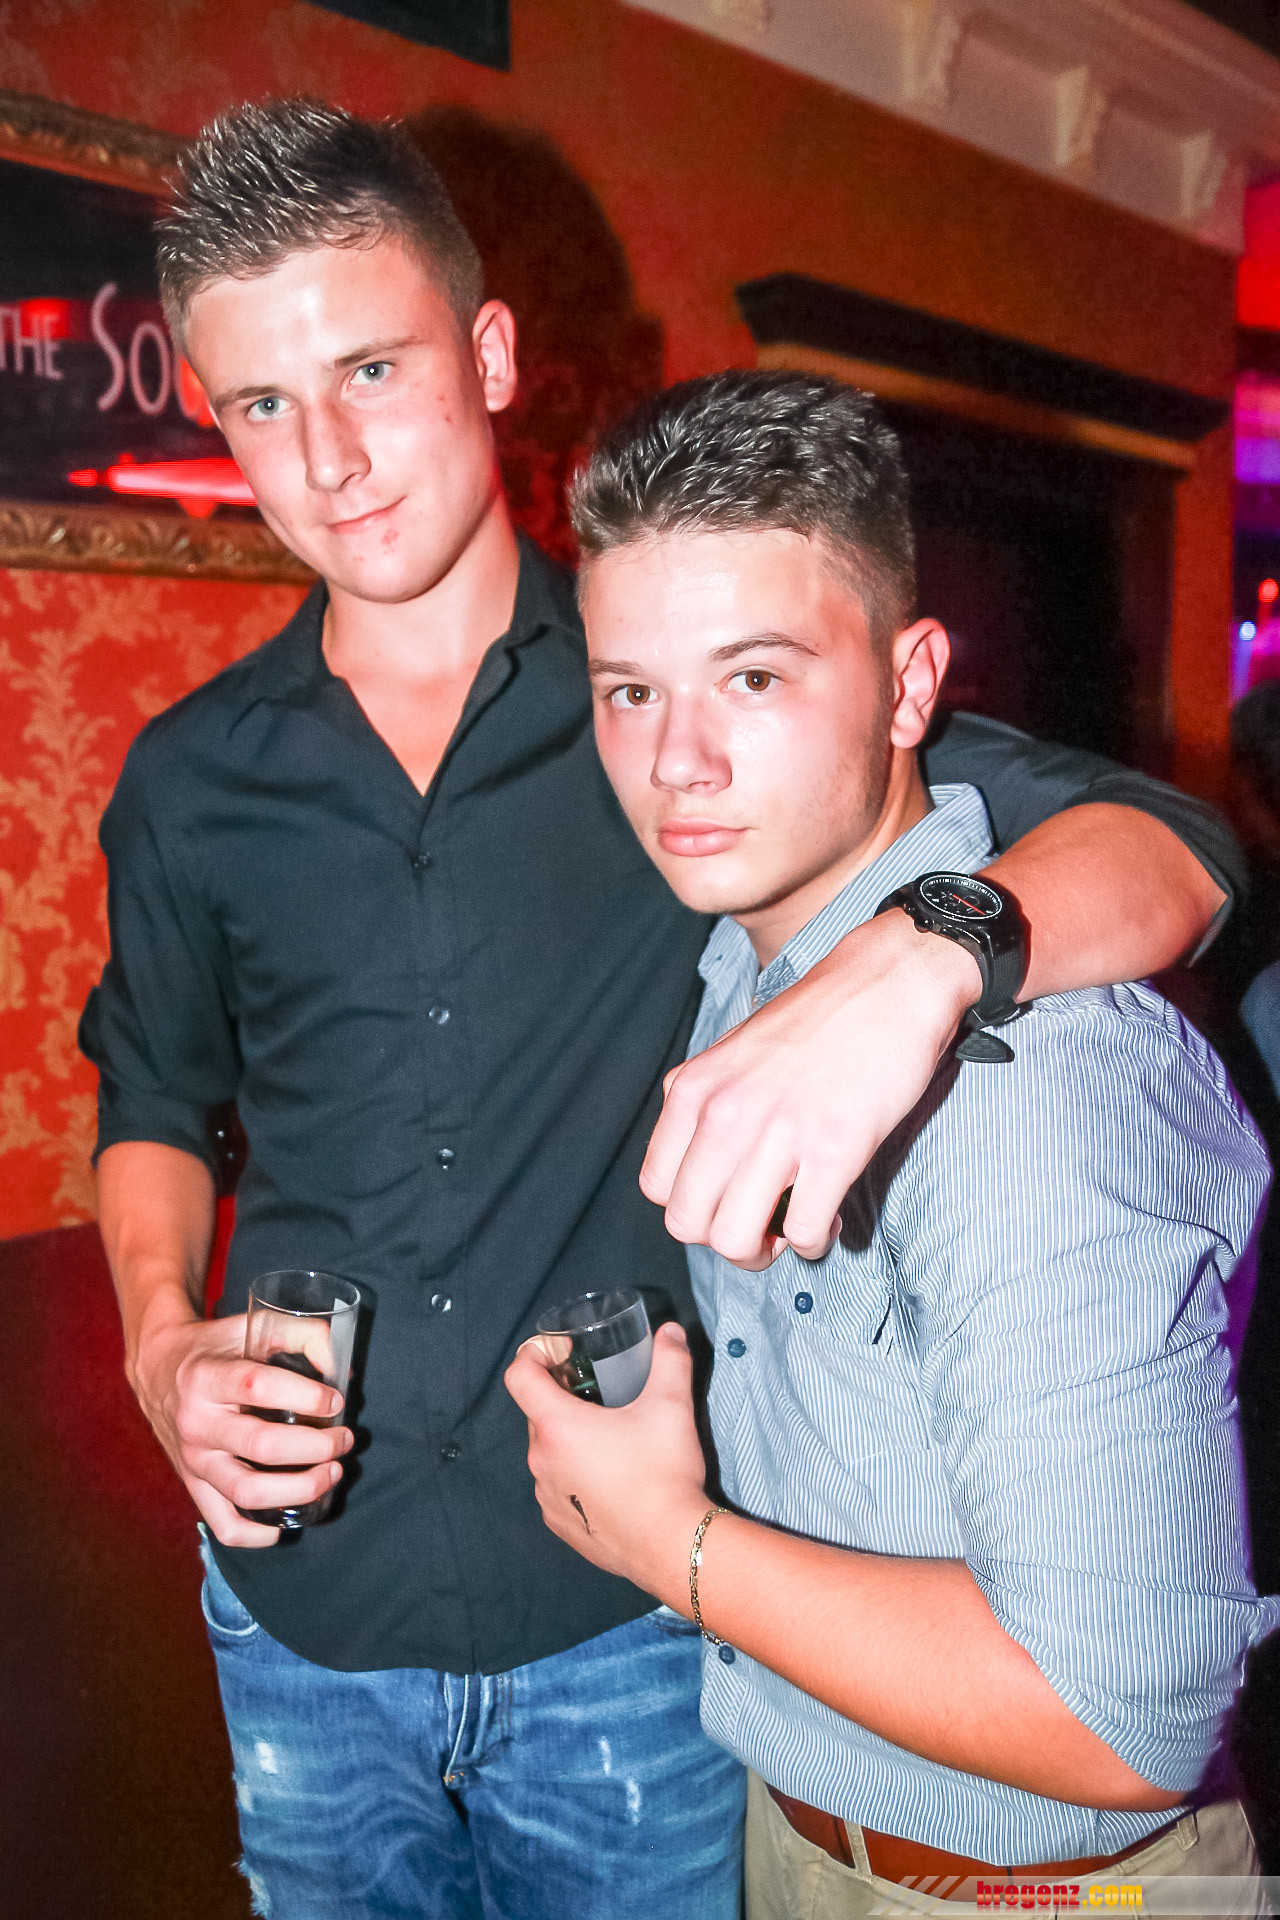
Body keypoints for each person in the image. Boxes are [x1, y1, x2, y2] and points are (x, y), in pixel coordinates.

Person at [80, 100, 1242, 1920]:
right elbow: (152, 1094)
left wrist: (919, 959)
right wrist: (160, 1345)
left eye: (373, 369)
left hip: (626, 1628)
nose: (333, 458)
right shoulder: (187, 779)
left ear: (488, 356)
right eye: (262, 404)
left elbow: (1180, 853)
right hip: (307, 1600)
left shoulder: (686, 700)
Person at [507, 370, 1280, 1918]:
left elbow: (1123, 1720)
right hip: (807, 1840)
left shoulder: (1027, 1086)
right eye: (630, 691)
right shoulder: (746, 969)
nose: (677, 762)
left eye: (754, 676)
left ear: (913, 684)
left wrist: (671, 1539)